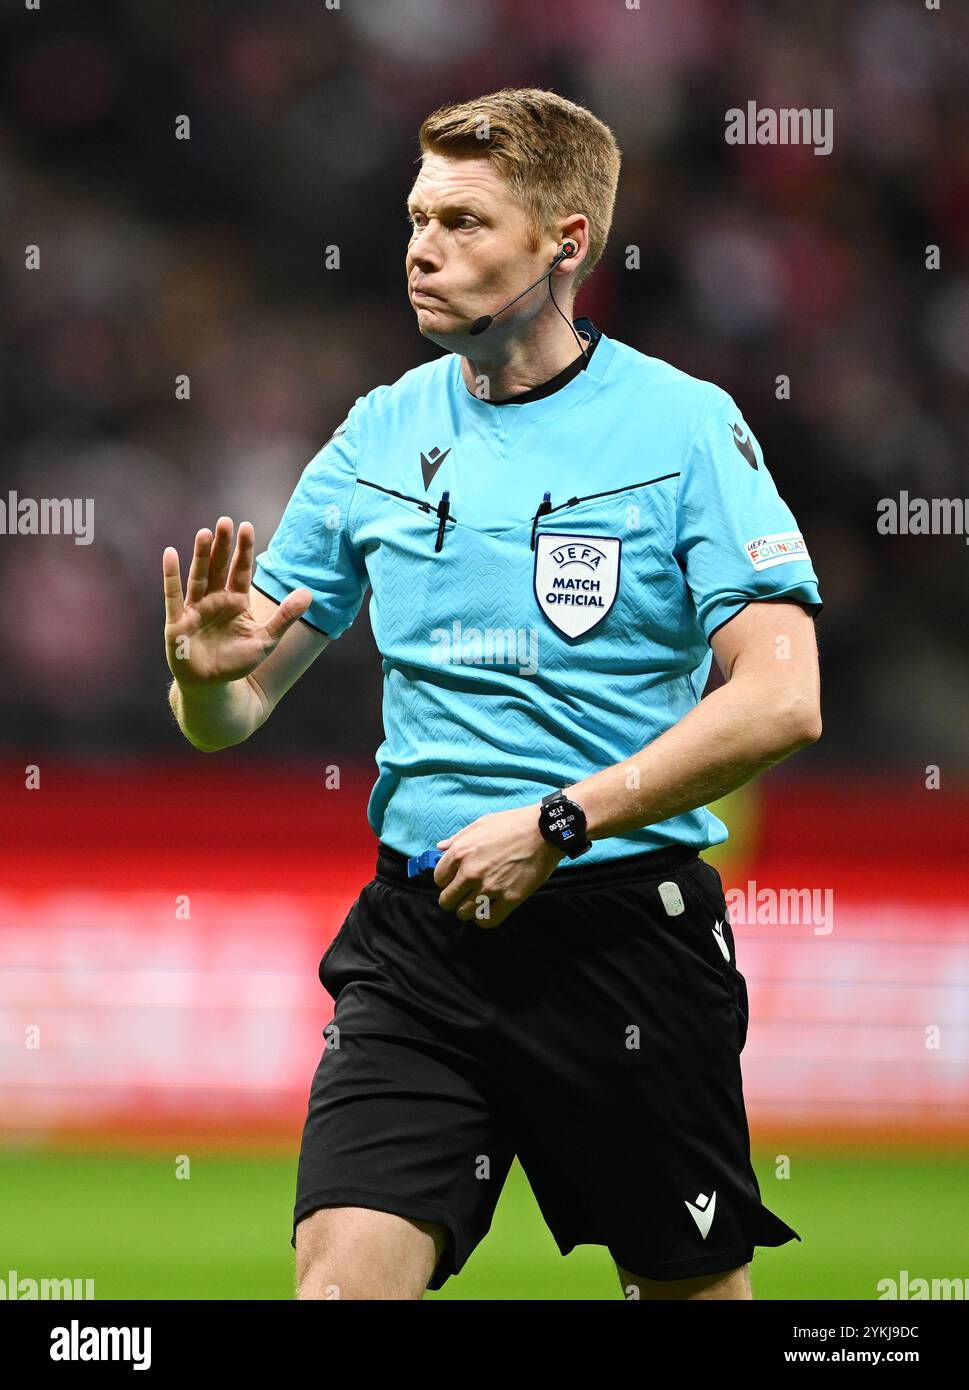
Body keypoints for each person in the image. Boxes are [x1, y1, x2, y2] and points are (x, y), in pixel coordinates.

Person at [163, 88, 823, 1301]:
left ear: (564, 243)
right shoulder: (376, 433)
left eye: (466, 223)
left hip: (627, 936)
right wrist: (206, 683)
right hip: (421, 944)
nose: (422, 247)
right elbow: (235, 713)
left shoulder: (683, 428)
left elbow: (782, 699)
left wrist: (560, 821)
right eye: (417, 217)